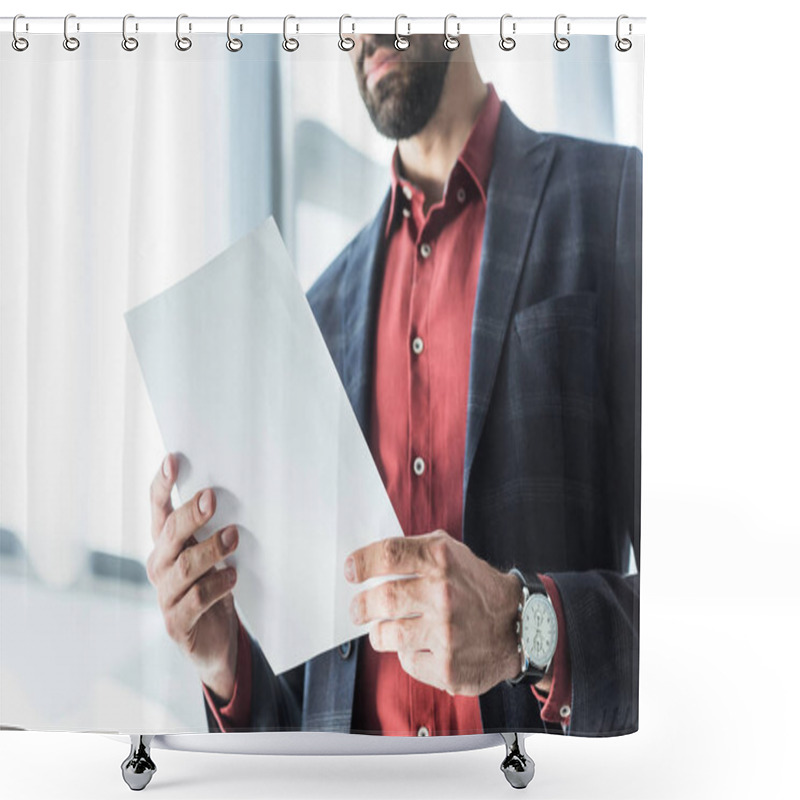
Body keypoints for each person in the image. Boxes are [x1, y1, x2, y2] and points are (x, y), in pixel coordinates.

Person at [146, 33, 641, 737]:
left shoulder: (616, 201)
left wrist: (523, 627)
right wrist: (226, 663)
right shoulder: (316, 314)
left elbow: (710, 617)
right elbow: (299, 725)